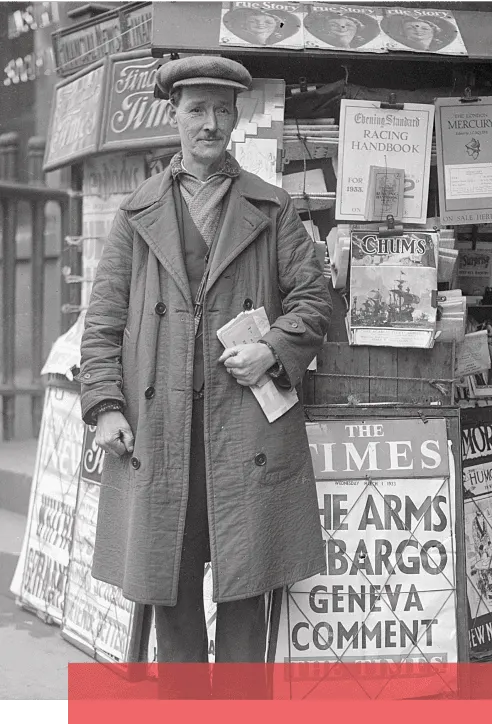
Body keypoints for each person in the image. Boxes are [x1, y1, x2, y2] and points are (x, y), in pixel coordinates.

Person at [79, 56, 332, 698]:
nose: (211, 123)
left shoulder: (270, 209)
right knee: (171, 586)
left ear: (236, 120)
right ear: (176, 117)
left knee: (245, 591)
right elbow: (103, 320)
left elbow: (313, 297)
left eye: (223, 111)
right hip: (162, 436)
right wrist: (107, 405)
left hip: (242, 431)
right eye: (198, 110)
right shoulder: (136, 215)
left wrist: (272, 350)